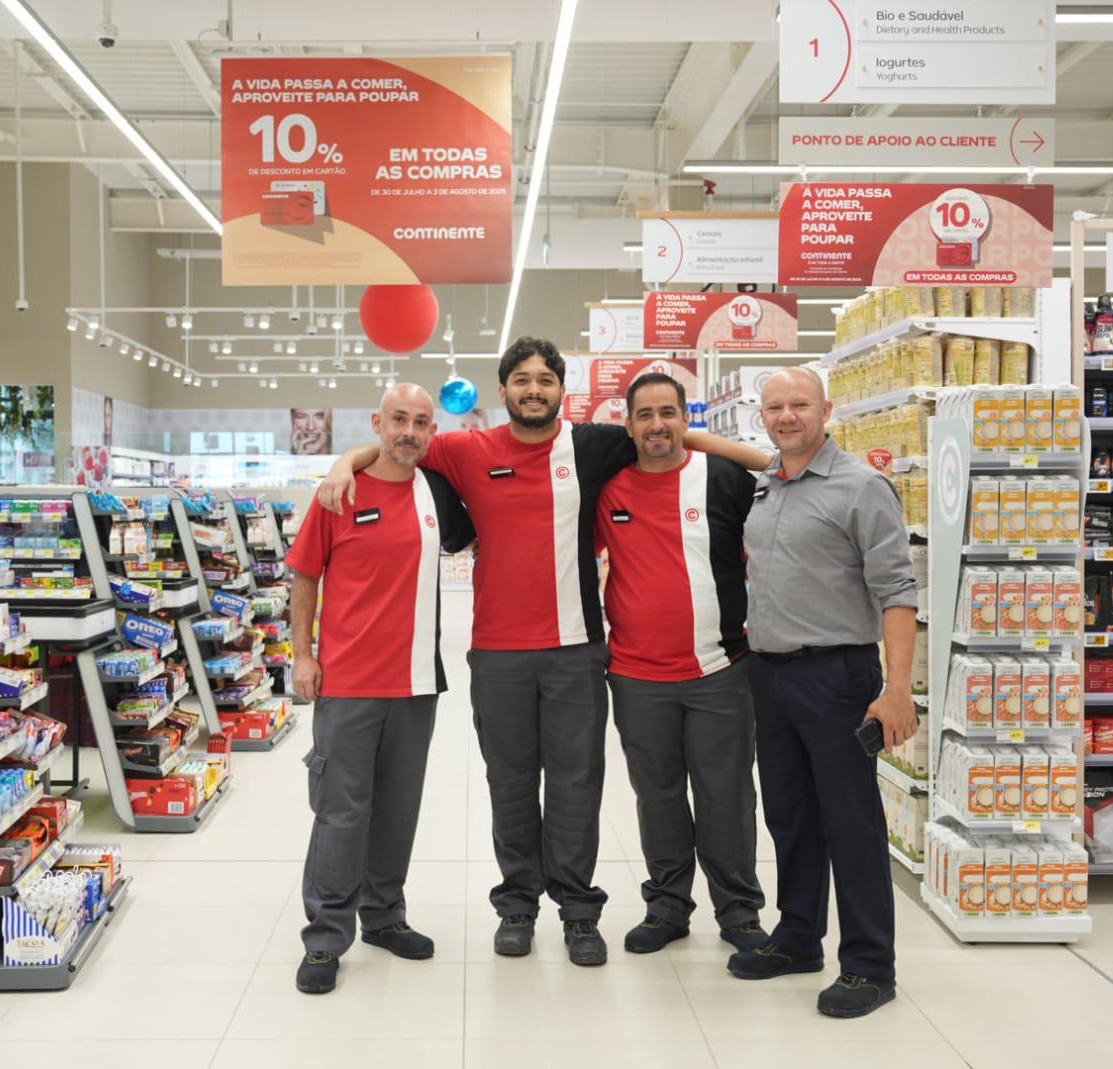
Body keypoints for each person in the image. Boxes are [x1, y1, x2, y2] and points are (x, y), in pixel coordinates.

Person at [319, 337, 770, 966]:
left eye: (545, 380)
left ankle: (580, 911)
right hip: (497, 653)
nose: (534, 389)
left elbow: (671, 437)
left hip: (577, 652)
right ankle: (517, 907)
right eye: (522, 379)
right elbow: (402, 444)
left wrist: (775, 461)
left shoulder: (593, 445)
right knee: (509, 785)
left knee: (576, 786)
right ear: (503, 390)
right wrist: (346, 460)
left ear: (562, 389)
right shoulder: (466, 449)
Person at [729, 367, 918, 1020]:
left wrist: (898, 690)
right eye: (774, 407)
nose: (786, 416)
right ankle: (798, 936)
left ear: (826, 410)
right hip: (770, 673)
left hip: (837, 676)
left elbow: (898, 591)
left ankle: (869, 964)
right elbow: (742, 453)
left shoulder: (862, 487)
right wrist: (686, 435)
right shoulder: (769, 481)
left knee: (850, 821)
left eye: (799, 405)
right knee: (790, 814)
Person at [286, 383, 475, 995]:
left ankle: (385, 916)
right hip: (348, 683)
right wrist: (303, 656)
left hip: (416, 683)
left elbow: (481, 532)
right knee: (342, 812)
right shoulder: (338, 493)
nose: (409, 431)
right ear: (377, 422)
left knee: (397, 809)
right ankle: (325, 938)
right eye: (398, 419)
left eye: (421, 421)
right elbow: (305, 577)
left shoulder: (435, 493)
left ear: (432, 431)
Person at [595, 372, 767, 958]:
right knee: (658, 796)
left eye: (668, 413)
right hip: (636, 677)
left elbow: (779, 473)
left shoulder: (723, 480)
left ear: (684, 420)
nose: (656, 425)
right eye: (644, 415)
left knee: (727, 796)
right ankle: (667, 907)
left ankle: (739, 911)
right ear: (628, 425)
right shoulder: (609, 489)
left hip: (720, 670)